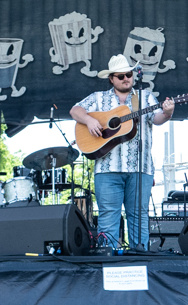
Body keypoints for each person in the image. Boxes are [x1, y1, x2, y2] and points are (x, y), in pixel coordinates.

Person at [70, 54, 174, 251]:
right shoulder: (99, 98)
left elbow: (157, 118)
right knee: (109, 214)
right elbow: (75, 111)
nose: (126, 78)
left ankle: (139, 256)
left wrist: (168, 112)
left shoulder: (144, 97)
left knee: (139, 215)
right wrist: (90, 121)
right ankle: (108, 259)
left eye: (129, 74)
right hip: (108, 168)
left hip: (140, 168)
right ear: (111, 78)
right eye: (121, 76)